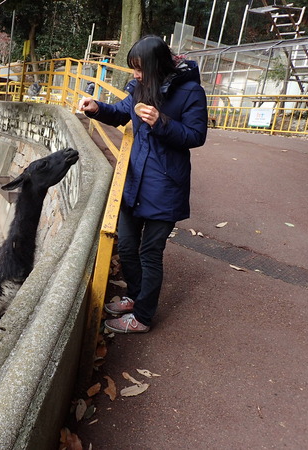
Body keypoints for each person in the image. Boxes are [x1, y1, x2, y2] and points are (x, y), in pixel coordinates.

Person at [79, 35, 207, 333]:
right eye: (133, 69)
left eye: (139, 68)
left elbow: (195, 136)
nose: (135, 75)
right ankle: (135, 297)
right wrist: (96, 107)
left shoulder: (190, 92)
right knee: (125, 245)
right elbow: (122, 112)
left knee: (150, 252)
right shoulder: (139, 87)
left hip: (166, 185)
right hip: (134, 180)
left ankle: (144, 317)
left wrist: (160, 121)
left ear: (157, 65)